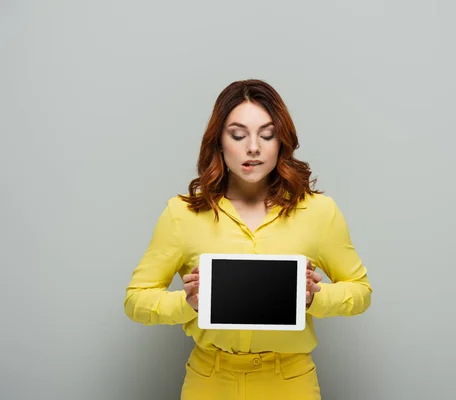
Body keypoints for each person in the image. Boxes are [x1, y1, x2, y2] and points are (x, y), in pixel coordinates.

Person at [124, 79, 373, 399]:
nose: (252, 147)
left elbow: (360, 291)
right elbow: (136, 300)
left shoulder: (319, 212)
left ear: (281, 142)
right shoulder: (181, 214)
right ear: (218, 142)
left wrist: (315, 297)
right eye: (238, 135)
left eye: (266, 135)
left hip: (289, 381)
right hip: (209, 380)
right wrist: (187, 303)